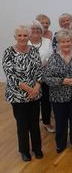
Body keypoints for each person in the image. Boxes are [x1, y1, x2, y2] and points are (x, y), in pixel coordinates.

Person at [2, 25, 43, 161]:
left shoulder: (34, 50)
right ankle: (24, 151)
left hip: (35, 93)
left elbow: (39, 70)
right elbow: (10, 74)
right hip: (18, 95)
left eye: (25, 35)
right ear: (15, 37)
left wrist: (36, 87)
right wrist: (28, 89)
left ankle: (37, 149)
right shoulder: (8, 52)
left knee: (35, 124)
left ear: (29, 37)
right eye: (19, 35)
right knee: (22, 125)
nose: (22, 38)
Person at [28, 21, 55, 133]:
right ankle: (31, 125)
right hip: (30, 77)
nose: (35, 31)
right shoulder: (26, 42)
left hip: (46, 75)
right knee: (31, 101)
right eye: (33, 29)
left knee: (46, 101)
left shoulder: (47, 41)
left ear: (41, 31)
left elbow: (52, 56)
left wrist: (45, 62)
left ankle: (46, 122)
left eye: (37, 29)